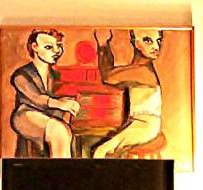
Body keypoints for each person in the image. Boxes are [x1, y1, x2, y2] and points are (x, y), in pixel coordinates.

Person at [92, 29, 166, 158]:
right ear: (135, 43)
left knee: (100, 152)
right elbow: (112, 76)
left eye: (158, 41)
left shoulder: (142, 70)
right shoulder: (138, 68)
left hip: (145, 127)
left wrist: (103, 44)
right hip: (141, 124)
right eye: (148, 41)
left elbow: (107, 77)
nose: (156, 47)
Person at [10, 29, 80, 158]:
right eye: (48, 47)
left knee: (64, 131)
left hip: (48, 114)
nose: (56, 51)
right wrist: (59, 103)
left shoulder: (55, 76)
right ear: (34, 47)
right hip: (26, 115)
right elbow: (36, 97)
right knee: (58, 131)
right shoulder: (21, 75)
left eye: (58, 46)